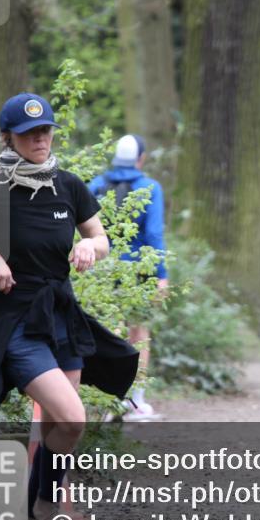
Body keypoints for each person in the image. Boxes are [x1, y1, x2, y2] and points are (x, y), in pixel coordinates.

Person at [0, 93, 138, 520]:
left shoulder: (67, 185)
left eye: (45, 130)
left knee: (54, 424)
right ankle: (45, 504)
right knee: (72, 417)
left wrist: (92, 247)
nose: (41, 139)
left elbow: (100, 237)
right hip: (15, 321)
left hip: (60, 314)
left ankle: (38, 514)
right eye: (29, 134)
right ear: (8, 137)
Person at [89, 134, 168, 421]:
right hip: (139, 271)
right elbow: (154, 234)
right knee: (139, 334)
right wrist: (161, 274)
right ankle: (136, 401)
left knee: (111, 333)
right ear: (141, 158)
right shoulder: (150, 188)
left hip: (102, 270)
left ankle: (108, 401)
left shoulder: (95, 185)